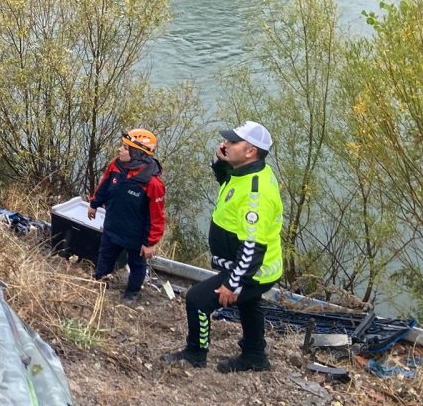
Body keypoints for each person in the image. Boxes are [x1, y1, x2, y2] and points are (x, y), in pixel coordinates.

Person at [162, 121, 284, 373]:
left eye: (232, 142)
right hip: (250, 266)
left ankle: (196, 352)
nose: (225, 144)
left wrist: (232, 284)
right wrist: (220, 161)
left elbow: (252, 248)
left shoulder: (256, 197)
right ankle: (255, 356)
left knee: (197, 300)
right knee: (249, 305)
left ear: (250, 151)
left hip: (254, 270)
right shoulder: (247, 170)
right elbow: (226, 180)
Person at [87, 128, 167, 303]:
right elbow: (104, 185)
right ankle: (100, 281)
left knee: (137, 265)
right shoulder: (116, 166)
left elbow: (157, 216)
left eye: (125, 147)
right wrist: (94, 204)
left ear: (137, 153)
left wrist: (150, 243)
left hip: (136, 236)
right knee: (105, 255)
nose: (120, 150)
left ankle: (132, 293)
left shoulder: (152, 183)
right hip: (112, 225)